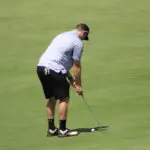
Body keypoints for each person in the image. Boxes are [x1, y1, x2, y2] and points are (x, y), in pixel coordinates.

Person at [36, 23, 90, 137]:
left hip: (41, 68)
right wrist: (79, 85)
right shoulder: (77, 42)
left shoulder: (62, 36)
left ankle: (51, 129)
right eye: (85, 37)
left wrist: (71, 81)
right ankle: (63, 130)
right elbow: (76, 66)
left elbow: (61, 64)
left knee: (52, 98)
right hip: (53, 69)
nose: (84, 40)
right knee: (64, 98)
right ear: (84, 33)